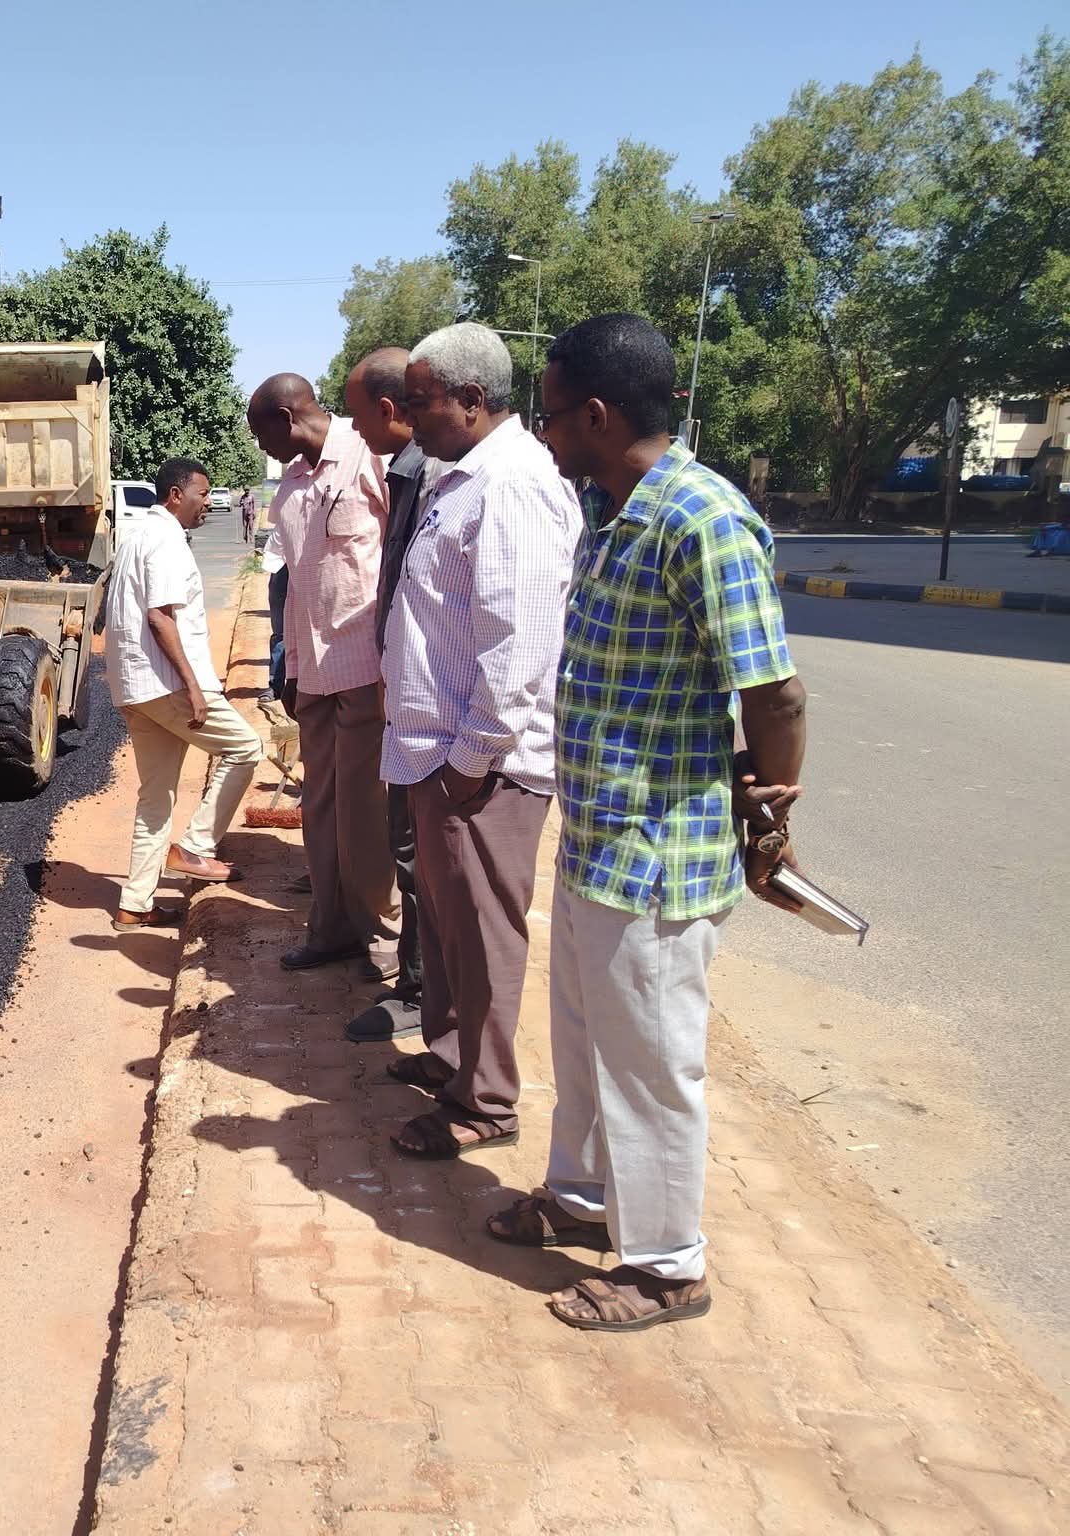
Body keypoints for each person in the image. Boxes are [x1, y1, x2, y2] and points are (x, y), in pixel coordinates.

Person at [486, 313, 807, 1331]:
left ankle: (669, 1268)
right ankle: (581, 1199)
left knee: (653, 1068)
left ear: (595, 414)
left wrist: (769, 816)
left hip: (661, 854)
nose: (541, 432)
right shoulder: (614, 510)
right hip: (599, 842)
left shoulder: (699, 518)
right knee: (587, 1046)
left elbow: (773, 693)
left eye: (548, 415)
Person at [380, 323, 582, 1159]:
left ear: (470, 399)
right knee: (450, 927)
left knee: (484, 935)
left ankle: (487, 1103)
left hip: (481, 767)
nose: (408, 417)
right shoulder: (464, 479)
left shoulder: (512, 487)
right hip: (443, 755)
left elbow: (519, 643)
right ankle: (453, 1059)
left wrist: (473, 759)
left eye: (420, 401)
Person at [249, 374, 395, 979]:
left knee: (365, 812)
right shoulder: (292, 482)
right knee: (320, 807)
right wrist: (287, 662)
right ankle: (331, 929)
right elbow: (294, 581)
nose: (262, 447)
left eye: (262, 434)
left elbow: (396, 558)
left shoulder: (369, 457)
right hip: (311, 670)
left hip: (363, 666)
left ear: (287, 418)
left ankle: (382, 937)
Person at [104, 456, 264, 932]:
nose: (208, 504)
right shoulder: (166, 539)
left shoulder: (137, 537)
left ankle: (135, 904)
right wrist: (194, 686)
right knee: (245, 748)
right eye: (202, 494)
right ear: (176, 495)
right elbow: (160, 617)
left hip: (135, 688)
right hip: (168, 684)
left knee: (156, 798)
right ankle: (195, 848)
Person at [337, 348, 431, 1042]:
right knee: (410, 851)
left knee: (420, 859)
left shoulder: (428, 476)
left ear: (389, 409)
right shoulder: (406, 472)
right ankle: (419, 987)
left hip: (434, 714)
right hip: (403, 696)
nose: (355, 428)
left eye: (358, 414)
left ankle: (423, 993)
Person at [260, 520, 288, 706]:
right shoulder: (286, 508)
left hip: (311, 566)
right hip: (281, 567)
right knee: (280, 633)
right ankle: (276, 686)